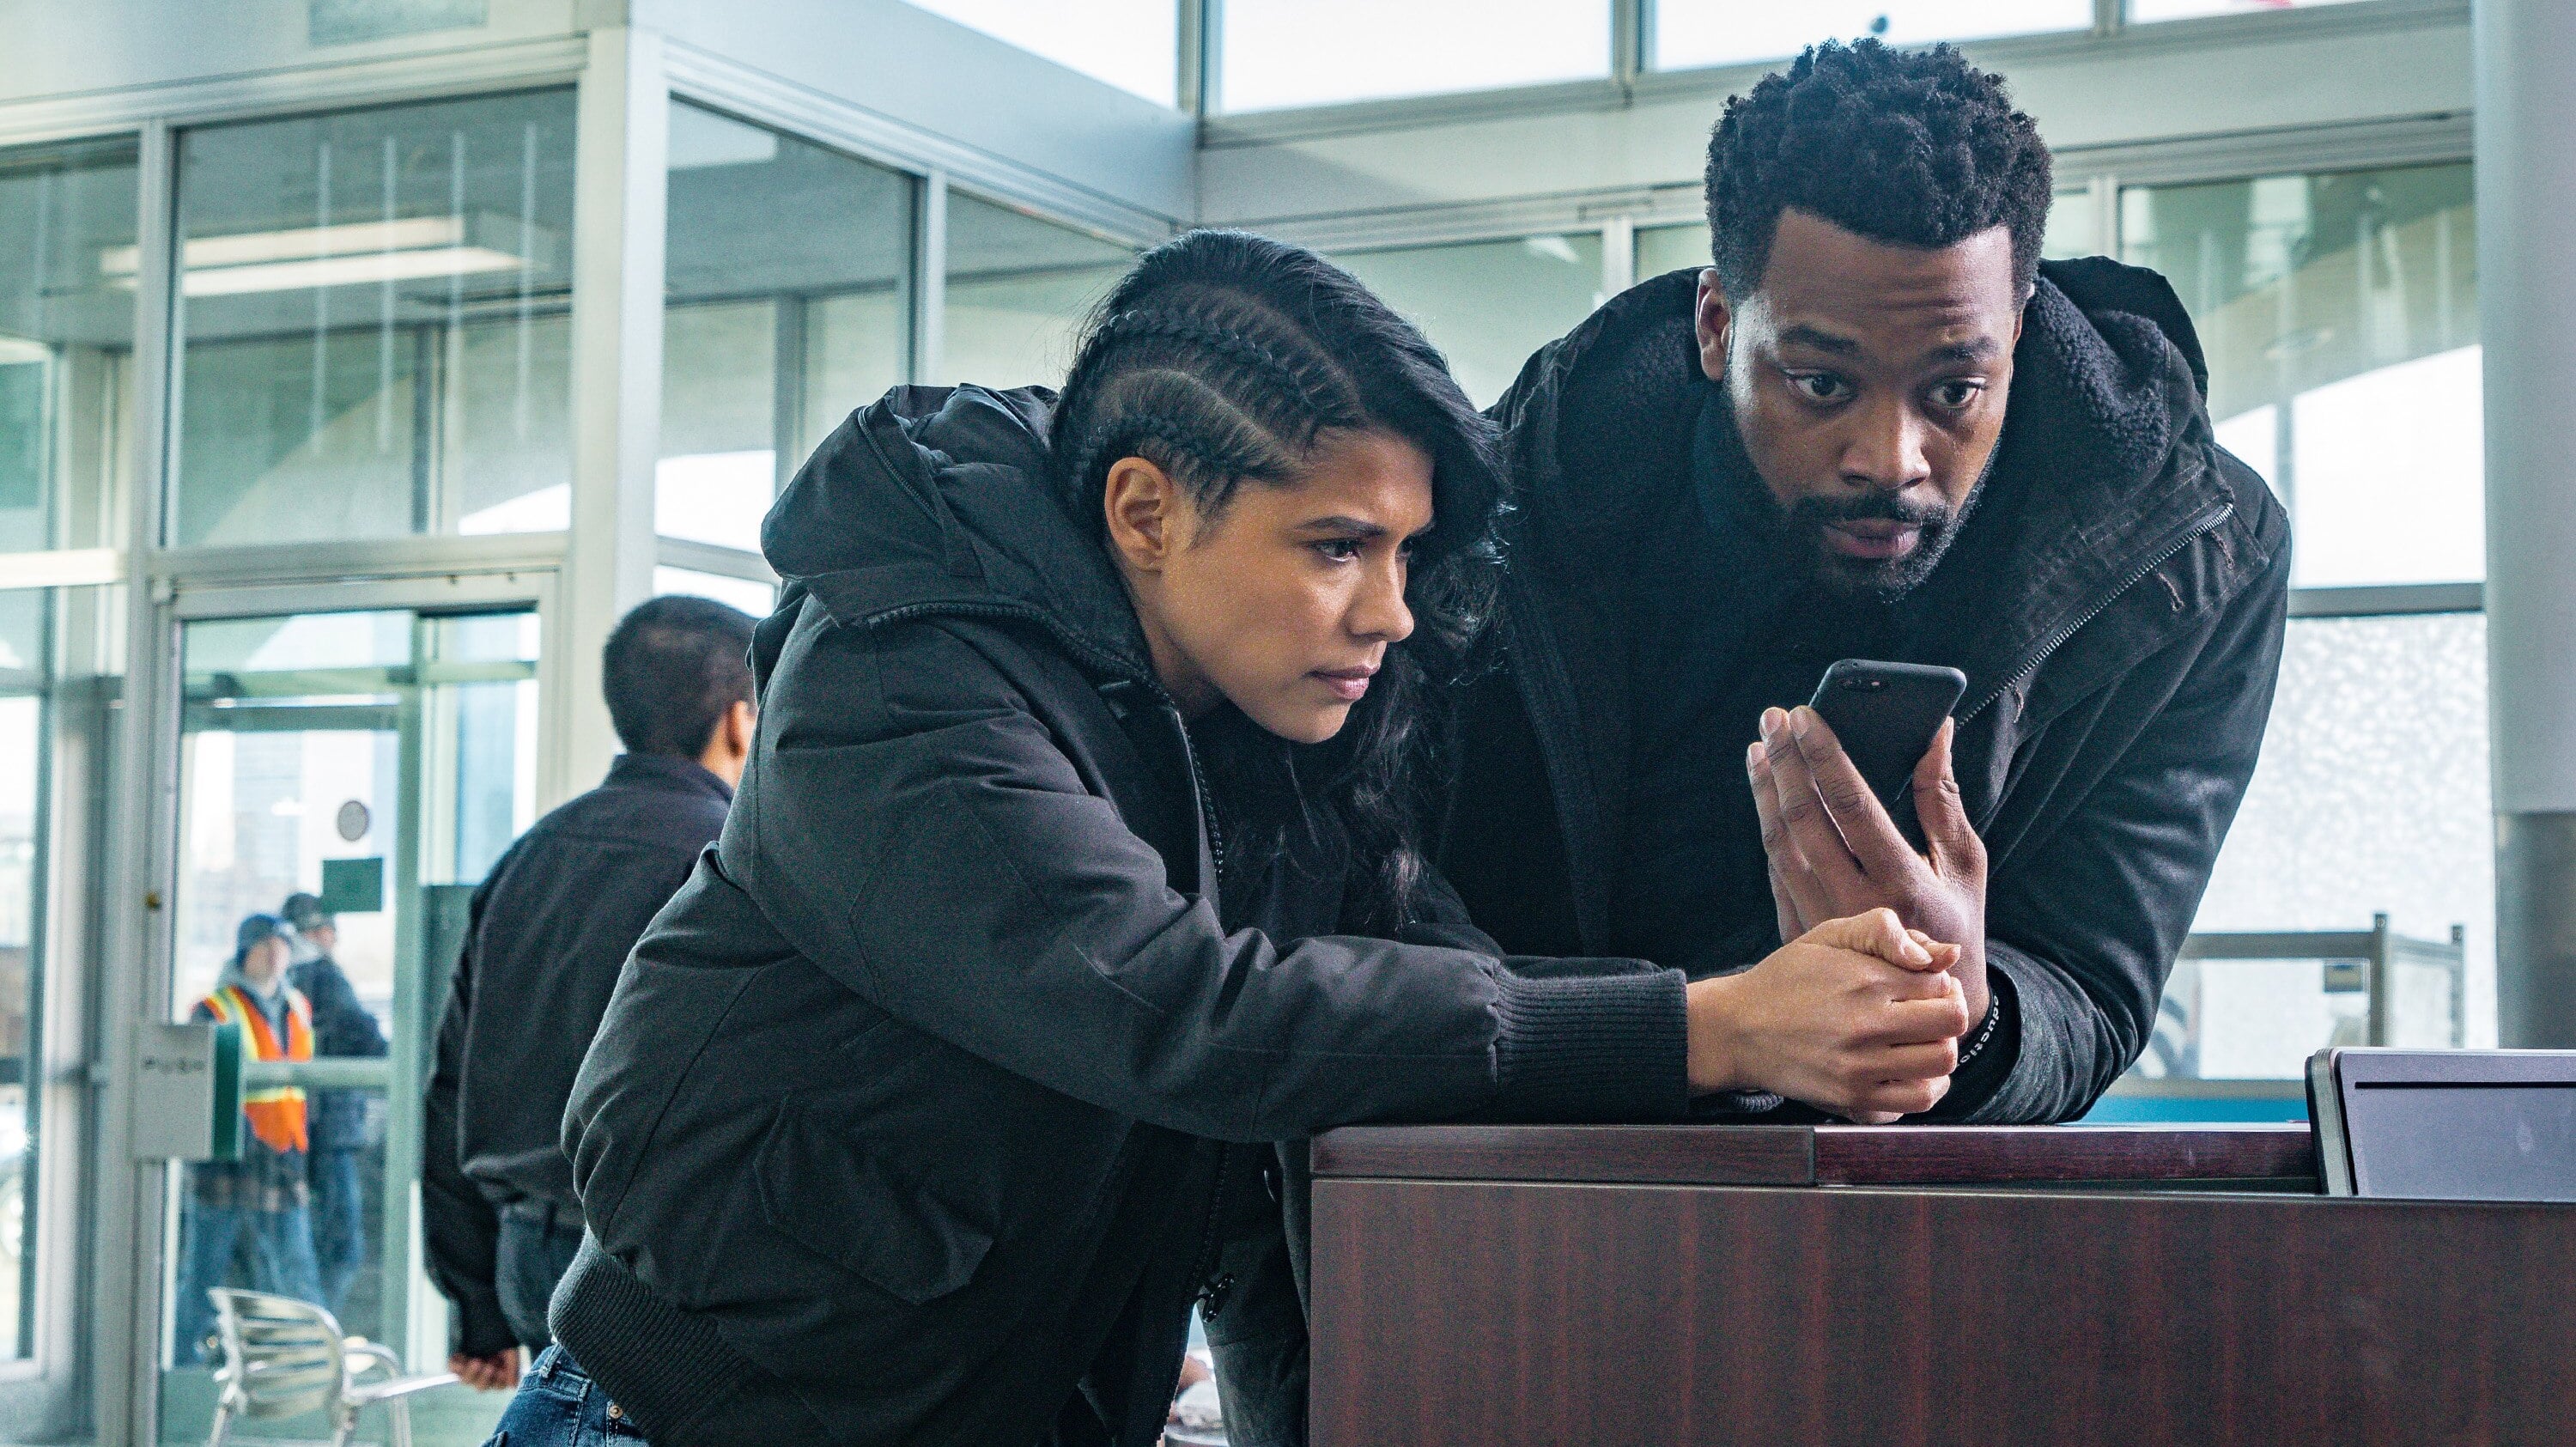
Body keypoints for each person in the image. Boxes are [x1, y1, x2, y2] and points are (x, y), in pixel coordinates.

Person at [484, 230, 1968, 1447]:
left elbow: (1442, 968)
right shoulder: (904, 681)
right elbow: (1175, 1008)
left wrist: (1806, 1027)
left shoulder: (1264, 722)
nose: (1390, 611)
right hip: (683, 1419)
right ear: (1144, 510)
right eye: (1337, 547)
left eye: (1405, 553)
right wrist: (1710, 1024)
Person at [1440, 40, 2291, 1125]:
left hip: (1901, 1209)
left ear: (2018, 332)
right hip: (1523, 1193)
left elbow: (2094, 980)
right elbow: (1393, 943)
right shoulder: (1494, 517)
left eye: (1954, 390)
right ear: (1717, 325)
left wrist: (1973, 1012)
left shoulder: (2194, 552)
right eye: (1822, 384)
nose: (1890, 459)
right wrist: (1705, 1029)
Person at [423, 595, 757, 1393]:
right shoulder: (727, 863)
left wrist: (475, 1303)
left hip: (525, 1256)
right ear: (739, 720)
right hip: (654, 1268)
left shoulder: (525, 861)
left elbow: (450, 1088)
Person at [173, 914, 322, 1363]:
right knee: (205, 1275)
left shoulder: (298, 1007)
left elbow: (304, 1086)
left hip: (282, 1162)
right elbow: (200, 1093)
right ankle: (182, 1367)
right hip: (226, 1166)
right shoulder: (215, 1009)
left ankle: (311, 1363)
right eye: (264, 946)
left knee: (295, 1274)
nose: (275, 955)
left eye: (281, 946)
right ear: (245, 953)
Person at [280, 891, 388, 1321]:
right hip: (331, 1128)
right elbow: (363, 1036)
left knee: (299, 1246)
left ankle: (305, 1329)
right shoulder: (322, 977)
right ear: (313, 934)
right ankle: (316, 1332)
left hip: (293, 1130)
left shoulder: (283, 982)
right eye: (326, 930)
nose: (332, 938)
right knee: (342, 1246)